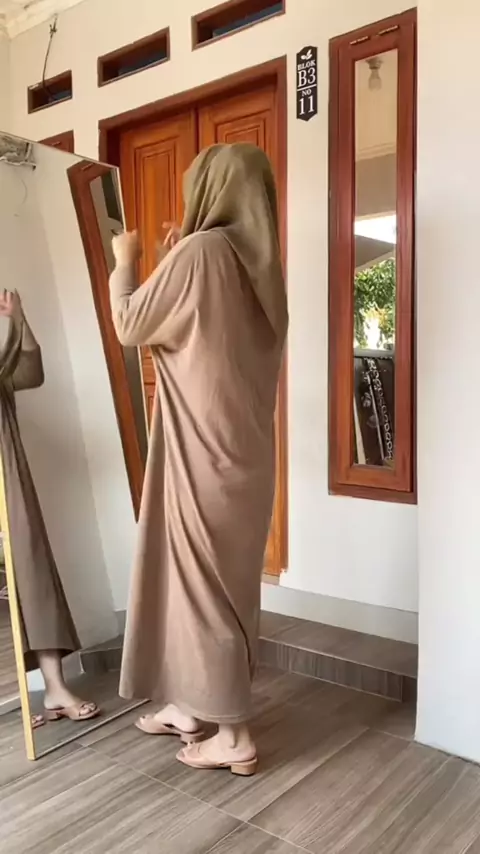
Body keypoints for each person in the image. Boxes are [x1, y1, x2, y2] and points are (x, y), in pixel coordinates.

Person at [110, 143, 288, 775]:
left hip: (200, 456)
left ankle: (234, 735)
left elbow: (131, 323)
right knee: (220, 586)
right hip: (244, 459)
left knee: (201, 590)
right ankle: (189, 704)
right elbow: (200, 333)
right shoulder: (262, 270)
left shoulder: (202, 253)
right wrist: (177, 254)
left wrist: (125, 263)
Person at [0, 290, 99, 726]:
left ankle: (54, 690)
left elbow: (29, 372)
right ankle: (19, 701)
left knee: (33, 579)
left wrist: (19, 320)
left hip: (8, 488)